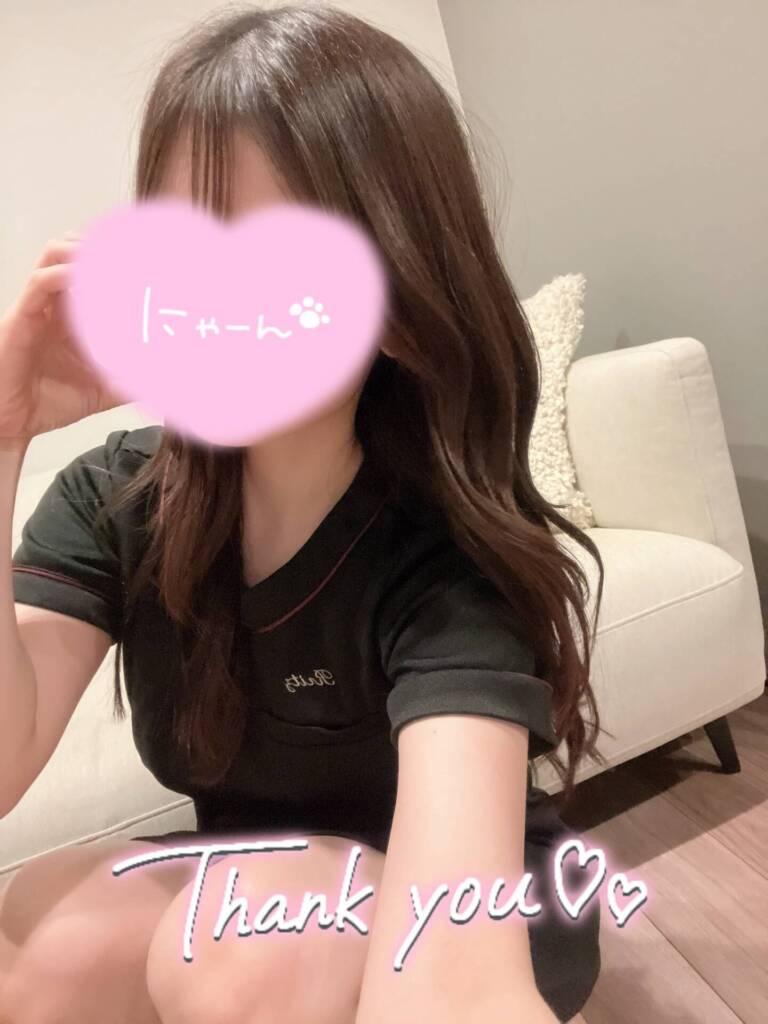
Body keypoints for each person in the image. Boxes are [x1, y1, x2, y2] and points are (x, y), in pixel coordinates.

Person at [0, 4, 607, 1022]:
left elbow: (455, 987)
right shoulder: (118, 497)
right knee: (43, 931)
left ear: (400, 291)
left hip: (484, 904)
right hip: (264, 886)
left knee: (251, 952)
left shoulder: (442, 549)